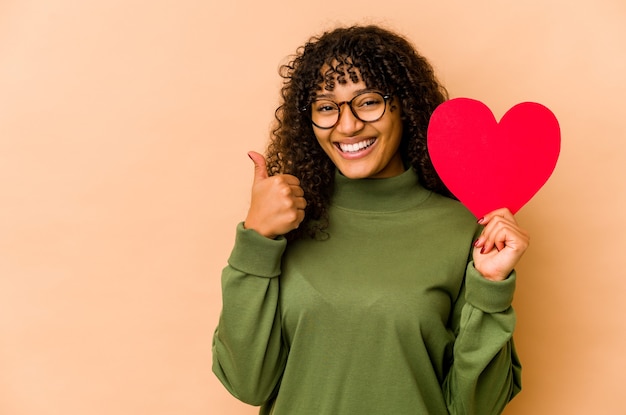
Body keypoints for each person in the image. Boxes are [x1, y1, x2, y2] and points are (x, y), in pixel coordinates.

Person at [212, 24, 529, 415]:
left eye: (367, 101)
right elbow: (247, 383)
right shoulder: (286, 224)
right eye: (326, 107)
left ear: (405, 105)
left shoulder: (463, 230)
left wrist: (491, 288)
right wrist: (256, 240)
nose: (347, 126)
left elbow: (476, 407)